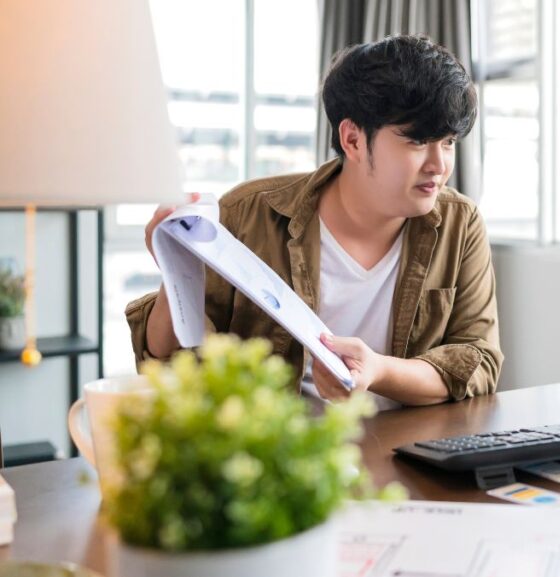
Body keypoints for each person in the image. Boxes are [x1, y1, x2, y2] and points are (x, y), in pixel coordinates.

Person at [126, 35, 502, 409]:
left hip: (406, 453)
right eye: (418, 142)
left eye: (449, 142)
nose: (439, 165)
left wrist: (378, 371)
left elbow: (479, 361)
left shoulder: (460, 223)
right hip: (280, 452)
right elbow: (169, 364)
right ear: (353, 139)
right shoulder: (246, 216)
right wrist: (176, 275)